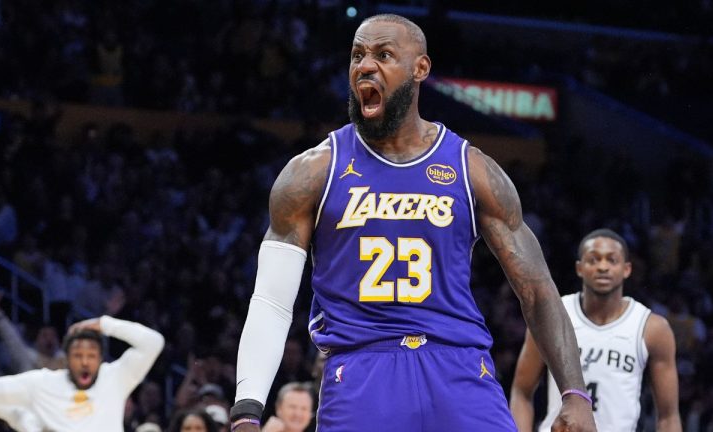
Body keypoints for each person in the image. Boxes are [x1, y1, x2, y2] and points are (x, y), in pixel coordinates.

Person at [230, 14, 595, 432]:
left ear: (420, 68)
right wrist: (247, 410)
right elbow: (272, 303)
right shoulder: (312, 172)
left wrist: (575, 393)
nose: (365, 66)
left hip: (458, 365)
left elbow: (536, 289)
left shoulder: (471, 168)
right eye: (357, 55)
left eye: (383, 54)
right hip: (362, 368)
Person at [510, 229, 682, 431]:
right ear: (579, 268)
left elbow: (668, 416)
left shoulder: (652, 328)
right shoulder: (552, 316)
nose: (602, 267)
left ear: (626, 269)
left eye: (612, 260)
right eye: (593, 260)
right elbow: (521, 392)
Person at [0, 315, 165, 431]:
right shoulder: (42, 383)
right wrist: (21, 420)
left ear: (100, 358)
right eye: (78, 355)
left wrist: (104, 324)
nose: (85, 362)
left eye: (91, 356)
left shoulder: (116, 378)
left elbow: (153, 342)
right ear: (66, 358)